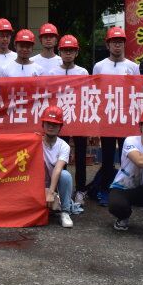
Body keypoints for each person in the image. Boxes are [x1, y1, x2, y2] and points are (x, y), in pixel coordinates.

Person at [90, 26, 139, 205]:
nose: (117, 45)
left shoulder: (133, 67)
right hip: (107, 118)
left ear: (124, 44)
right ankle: (104, 191)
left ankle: (125, 191)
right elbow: (93, 93)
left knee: (127, 157)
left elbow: (138, 92)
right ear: (108, 45)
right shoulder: (99, 66)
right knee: (108, 156)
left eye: (120, 42)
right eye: (113, 42)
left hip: (126, 119)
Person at [46, 34, 89, 203]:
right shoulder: (52, 72)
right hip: (58, 120)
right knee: (60, 155)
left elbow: (88, 96)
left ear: (77, 52)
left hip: (78, 119)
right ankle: (60, 189)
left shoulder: (83, 72)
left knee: (80, 155)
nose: (68, 53)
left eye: (71, 50)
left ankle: (81, 190)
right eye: (65, 50)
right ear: (60, 52)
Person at [108, 108, 143, 232]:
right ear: (140, 126)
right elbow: (140, 161)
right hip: (123, 187)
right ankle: (124, 217)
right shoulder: (130, 141)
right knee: (116, 205)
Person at [39, 105, 74, 229]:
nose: (51, 126)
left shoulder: (64, 146)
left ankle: (65, 211)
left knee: (65, 175)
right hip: (38, 184)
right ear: (42, 124)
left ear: (60, 127)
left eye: (55, 124)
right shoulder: (35, 141)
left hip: (54, 185)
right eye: (48, 123)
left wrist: (51, 193)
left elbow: (58, 169)